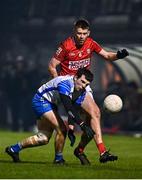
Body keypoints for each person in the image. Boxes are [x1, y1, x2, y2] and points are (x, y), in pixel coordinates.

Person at [48, 19, 129, 165]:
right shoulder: (66, 45)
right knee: (89, 116)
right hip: (69, 86)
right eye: (79, 33)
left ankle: (87, 150)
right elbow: (52, 66)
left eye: (84, 33)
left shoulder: (91, 43)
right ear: (74, 32)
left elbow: (107, 55)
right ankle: (95, 152)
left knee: (94, 118)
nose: (81, 36)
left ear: (88, 33)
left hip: (83, 86)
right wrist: (58, 83)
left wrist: (119, 55)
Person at [5, 68, 95, 164]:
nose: (83, 86)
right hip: (41, 100)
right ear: (76, 77)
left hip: (50, 104)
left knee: (43, 138)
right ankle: (58, 159)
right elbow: (68, 106)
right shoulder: (65, 83)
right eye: (82, 82)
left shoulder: (82, 91)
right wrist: (82, 124)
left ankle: (13, 149)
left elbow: (73, 109)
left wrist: (71, 129)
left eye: (86, 84)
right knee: (62, 129)